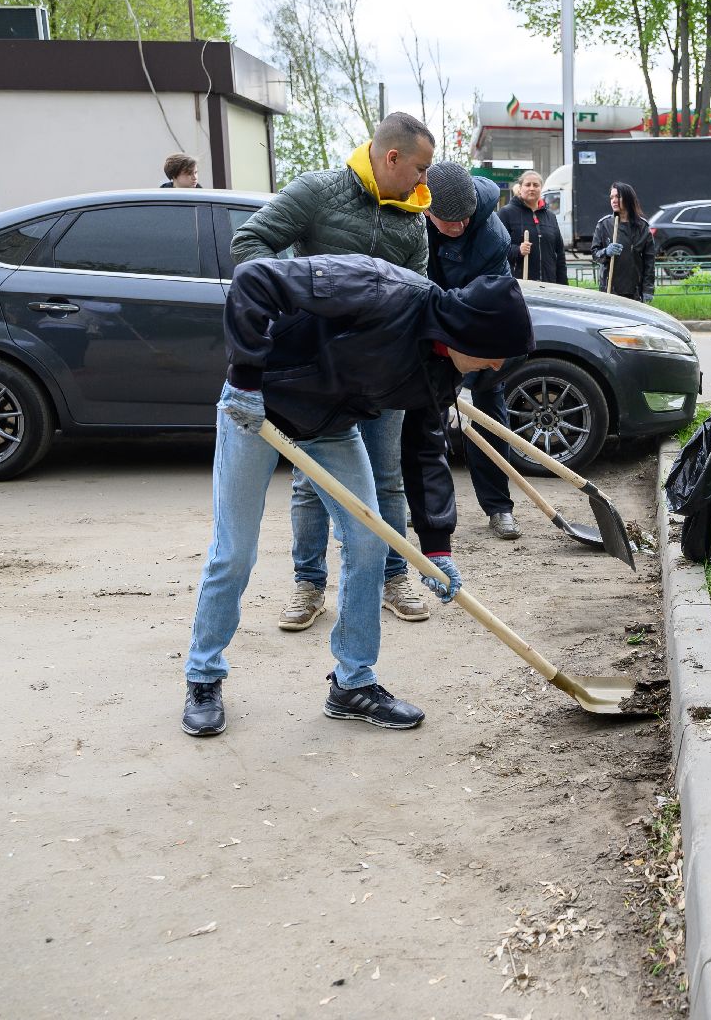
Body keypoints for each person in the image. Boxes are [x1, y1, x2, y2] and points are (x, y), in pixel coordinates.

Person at [180, 254, 533, 737]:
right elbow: (253, 279)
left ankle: (353, 684)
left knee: (370, 546)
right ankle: (203, 676)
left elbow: (425, 451)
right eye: (497, 353)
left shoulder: (444, 371)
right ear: (469, 334)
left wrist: (437, 547)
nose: (497, 365)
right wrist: (244, 378)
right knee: (235, 551)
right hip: (256, 410)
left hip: (330, 428)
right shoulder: (379, 288)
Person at [232, 112, 436, 631]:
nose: (423, 181)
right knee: (309, 481)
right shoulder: (318, 192)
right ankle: (309, 583)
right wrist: (296, 311)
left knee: (387, 478)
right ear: (392, 157)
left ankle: (394, 577)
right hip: (316, 373)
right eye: (419, 168)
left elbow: (417, 297)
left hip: (381, 371)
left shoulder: (412, 221)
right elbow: (249, 246)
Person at [422, 161, 522, 541]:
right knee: (425, 423)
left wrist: (470, 371)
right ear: (428, 211)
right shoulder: (414, 222)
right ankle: (427, 509)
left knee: (488, 411)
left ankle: (499, 508)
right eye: (449, 221)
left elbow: (490, 302)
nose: (459, 226)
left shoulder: (491, 235)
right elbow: (420, 289)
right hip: (430, 320)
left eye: (465, 218)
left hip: (478, 324)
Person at [497, 169, 567, 283]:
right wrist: (517, 250)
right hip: (517, 284)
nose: (531, 188)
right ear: (520, 188)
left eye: (536, 185)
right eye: (527, 185)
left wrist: (563, 285)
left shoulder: (550, 217)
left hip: (548, 284)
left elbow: (560, 254)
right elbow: (496, 249)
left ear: (541, 188)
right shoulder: (506, 213)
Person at [591, 181, 654, 303]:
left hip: (635, 292)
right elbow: (595, 254)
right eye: (611, 197)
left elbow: (649, 262)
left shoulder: (642, 227)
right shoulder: (604, 225)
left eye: (618, 197)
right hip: (610, 291)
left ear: (628, 199)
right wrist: (606, 252)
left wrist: (648, 289)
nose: (614, 200)